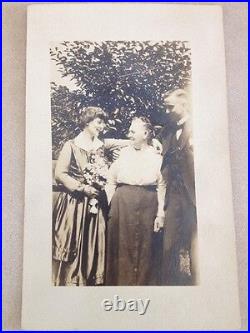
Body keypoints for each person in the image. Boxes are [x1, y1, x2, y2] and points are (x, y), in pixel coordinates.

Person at [52, 106, 109, 286]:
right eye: (99, 122)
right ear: (86, 122)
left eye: (103, 122)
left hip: (94, 203)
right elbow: (60, 173)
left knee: (93, 240)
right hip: (74, 202)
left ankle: (90, 279)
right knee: (73, 240)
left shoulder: (100, 147)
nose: (102, 126)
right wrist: (82, 188)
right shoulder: (71, 145)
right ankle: (71, 281)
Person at [105, 117, 166, 286]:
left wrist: (161, 213)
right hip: (122, 204)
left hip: (148, 203)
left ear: (145, 133)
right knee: (122, 246)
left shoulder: (157, 157)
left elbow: (162, 185)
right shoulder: (123, 153)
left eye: (132, 131)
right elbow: (110, 181)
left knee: (146, 247)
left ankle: (144, 287)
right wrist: (113, 203)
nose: (129, 134)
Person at [158, 88, 198, 285]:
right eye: (165, 107)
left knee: (197, 246)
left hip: (196, 196)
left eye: (170, 107)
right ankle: (170, 288)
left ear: (184, 104)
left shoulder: (200, 126)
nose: (167, 112)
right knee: (169, 244)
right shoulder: (167, 132)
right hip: (173, 195)